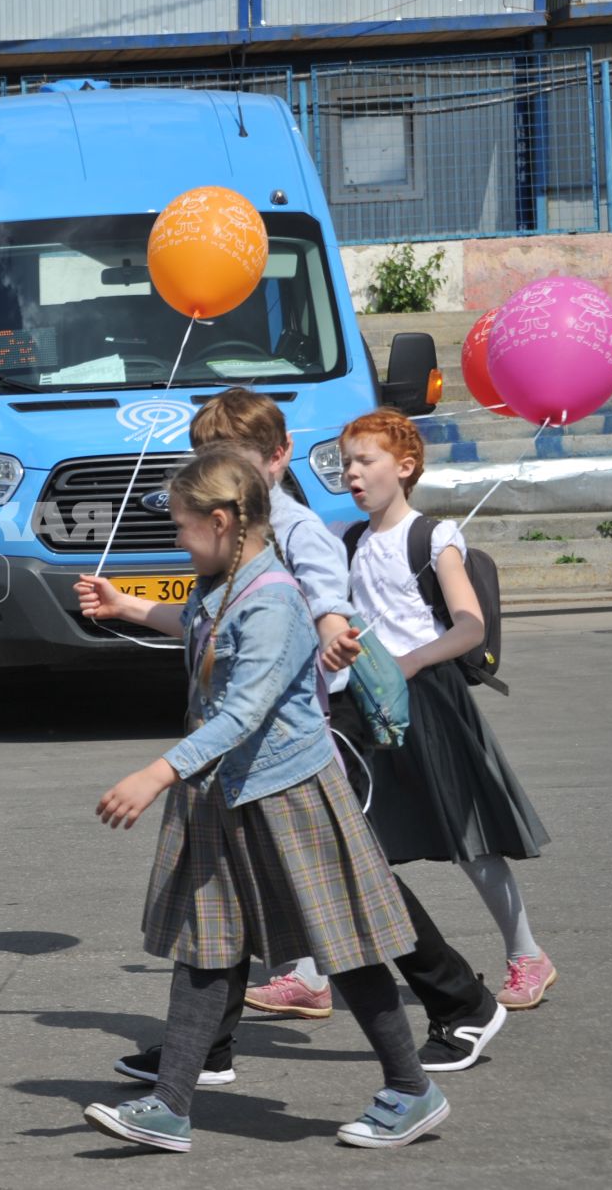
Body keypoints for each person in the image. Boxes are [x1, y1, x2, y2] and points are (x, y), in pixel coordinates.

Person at [93, 391, 506, 1081]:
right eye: (207, 456)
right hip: (258, 740)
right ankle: (208, 1046)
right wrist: (131, 606)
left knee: (349, 882)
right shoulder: (226, 539)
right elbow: (205, 625)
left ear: (277, 458)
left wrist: (333, 633)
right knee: (234, 886)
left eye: (231, 456)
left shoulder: (292, 531)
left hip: (310, 728)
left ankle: (458, 1001)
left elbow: (324, 604)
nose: (217, 468)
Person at [76, 448, 448, 1153]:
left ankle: (413, 1088)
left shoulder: (274, 596)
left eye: (184, 527)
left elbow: (242, 712)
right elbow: (196, 628)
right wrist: (125, 606)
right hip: (227, 796)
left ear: (222, 522)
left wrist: (156, 773)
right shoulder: (220, 580)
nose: (178, 540)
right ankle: (170, 1106)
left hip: (290, 796)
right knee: (207, 947)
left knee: (349, 947)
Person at [324, 410, 556, 1011]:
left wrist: (412, 662)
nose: (352, 472)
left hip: (428, 699)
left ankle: (528, 955)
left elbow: (469, 626)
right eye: (346, 461)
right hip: (365, 701)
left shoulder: (434, 537)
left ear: (404, 468)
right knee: (345, 837)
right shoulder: (349, 540)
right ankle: (311, 975)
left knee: (468, 835)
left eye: (365, 460)